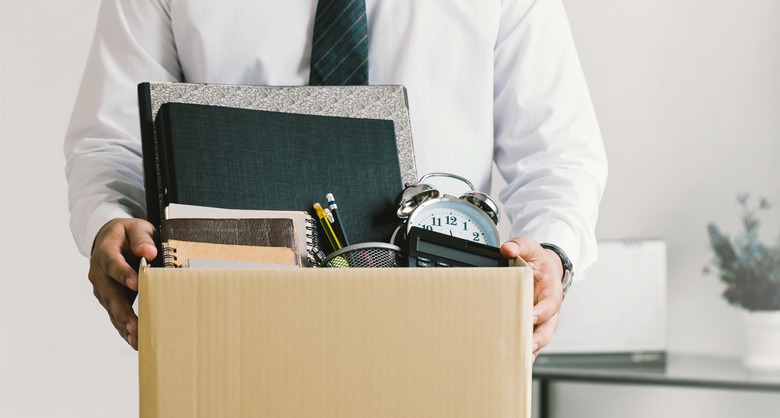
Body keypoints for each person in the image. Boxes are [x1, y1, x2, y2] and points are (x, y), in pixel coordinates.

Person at [65, 0, 608, 358]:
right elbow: (112, 142)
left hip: (441, 330)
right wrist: (107, 221)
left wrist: (553, 252)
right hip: (234, 333)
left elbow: (556, 153)